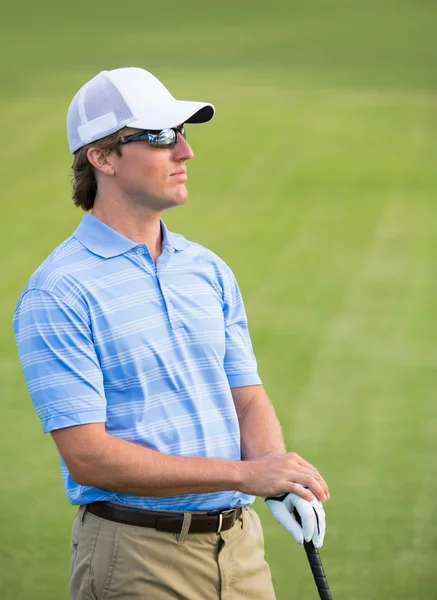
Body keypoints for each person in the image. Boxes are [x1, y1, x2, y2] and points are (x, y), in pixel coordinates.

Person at [13, 67, 329, 600]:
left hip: (241, 550)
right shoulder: (59, 291)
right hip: (136, 559)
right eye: (161, 137)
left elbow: (247, 401)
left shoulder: (206, 270)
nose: (185, 152)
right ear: (103, 158)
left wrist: (278, 480)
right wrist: (244, 474)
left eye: (183, 134)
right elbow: (88, 456)